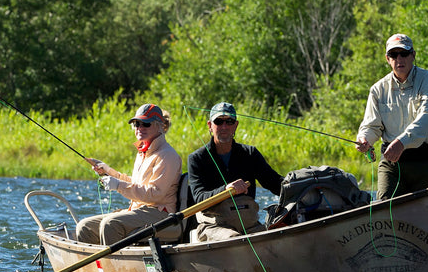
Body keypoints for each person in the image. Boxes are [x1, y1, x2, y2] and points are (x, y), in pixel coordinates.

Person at [75, 103, 183, 245]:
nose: (140, 128)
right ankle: (99, 266)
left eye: (145, 124)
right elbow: (135, 184)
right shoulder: (143, 152)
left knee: (110, 224)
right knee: (85, 227)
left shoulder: (167, 155)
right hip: (139, 210)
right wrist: (108, 171)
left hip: (160, 213)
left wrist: (118, 185)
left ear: (159, 126)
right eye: (136, 124)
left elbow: (155, 194)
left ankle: (115, 266)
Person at [355, 33, 428, 200]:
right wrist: (364, 139)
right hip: (391, 163)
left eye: (404, 53)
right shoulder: (377, 89)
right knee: (384, 210)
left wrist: (402, 142)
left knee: (425, 216)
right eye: (394, 55)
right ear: (387, 59)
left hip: (425, 160)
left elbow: (427, 118)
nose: (399, 59)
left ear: (413, 55)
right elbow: (371, 125)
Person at [187, 102, 284, 241]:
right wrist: (226, 190)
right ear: (210, 125)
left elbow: (275, 183)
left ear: (236, 125)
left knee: (272, 240)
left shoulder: (250, 154)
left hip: (250, 225)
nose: (224, 127)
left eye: (229, 121)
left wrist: (299, 185)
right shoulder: (196, 158)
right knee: (234, 239)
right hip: (213, 227)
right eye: (219, 122)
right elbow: (199, 197)